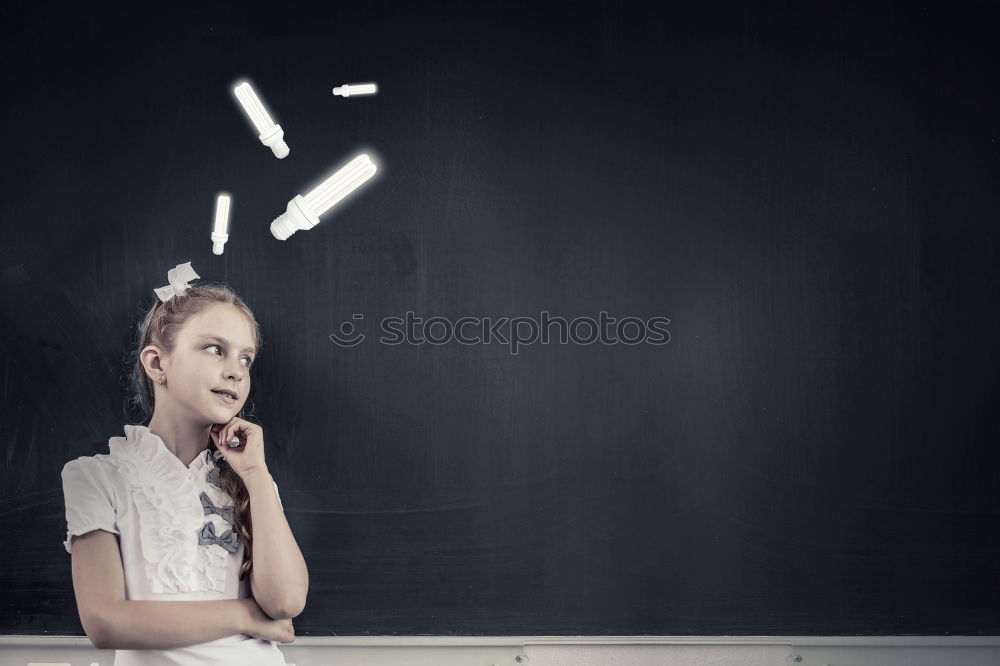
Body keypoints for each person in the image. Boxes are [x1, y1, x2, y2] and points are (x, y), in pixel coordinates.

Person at [61, 273, 308, 665]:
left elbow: (285, 603)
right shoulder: (96, 477)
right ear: (158, 363)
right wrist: (245, 615)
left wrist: (257, 476)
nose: (236, 371)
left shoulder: (251, 479)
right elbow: (105, 622)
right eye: (215, 349)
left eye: (246, 358)